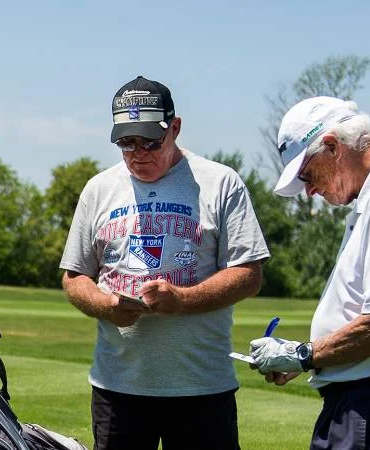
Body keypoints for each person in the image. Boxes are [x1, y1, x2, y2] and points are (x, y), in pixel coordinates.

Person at [59, 75, 270, 450]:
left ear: (175, 128)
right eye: (126, 143)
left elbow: (248, 274)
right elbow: (74, 277)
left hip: (202, 387)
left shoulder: (220, 182)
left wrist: (183, 300)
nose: (138, 153)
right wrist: (106, 306)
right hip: (118, 387)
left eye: (151, 142)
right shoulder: (98, 188)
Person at [249, 96, 370, 449]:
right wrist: (309, 357)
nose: (310, 190)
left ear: (333, 147)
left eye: (308, 175)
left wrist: (304, 355)